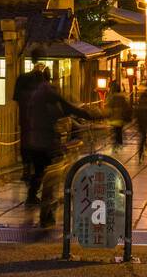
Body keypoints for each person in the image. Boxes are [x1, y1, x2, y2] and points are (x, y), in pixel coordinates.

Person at [23, 68, 94, 225]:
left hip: (34, 142)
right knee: (53, 178)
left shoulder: (33, 95)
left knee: (41, 173)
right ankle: (47, 214)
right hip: (49, 144)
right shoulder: (47, 92)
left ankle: (35, 199)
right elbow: (66, 107)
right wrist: (88, 115)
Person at [13, 60, 46, 184]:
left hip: (25, 118)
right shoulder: (42, 82)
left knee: (26, 143)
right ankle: (33, 170)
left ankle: (26, 169)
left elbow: (16, 98)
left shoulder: (22, 78)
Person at [105, 80, 131, 147]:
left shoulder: (112, 97)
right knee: (119, 133)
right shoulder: (122, 97)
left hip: (113, 119)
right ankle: (119, 144)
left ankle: (116, 145)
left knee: (115, 132)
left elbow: (108, 107)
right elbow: (127, 107)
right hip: (120, 119)